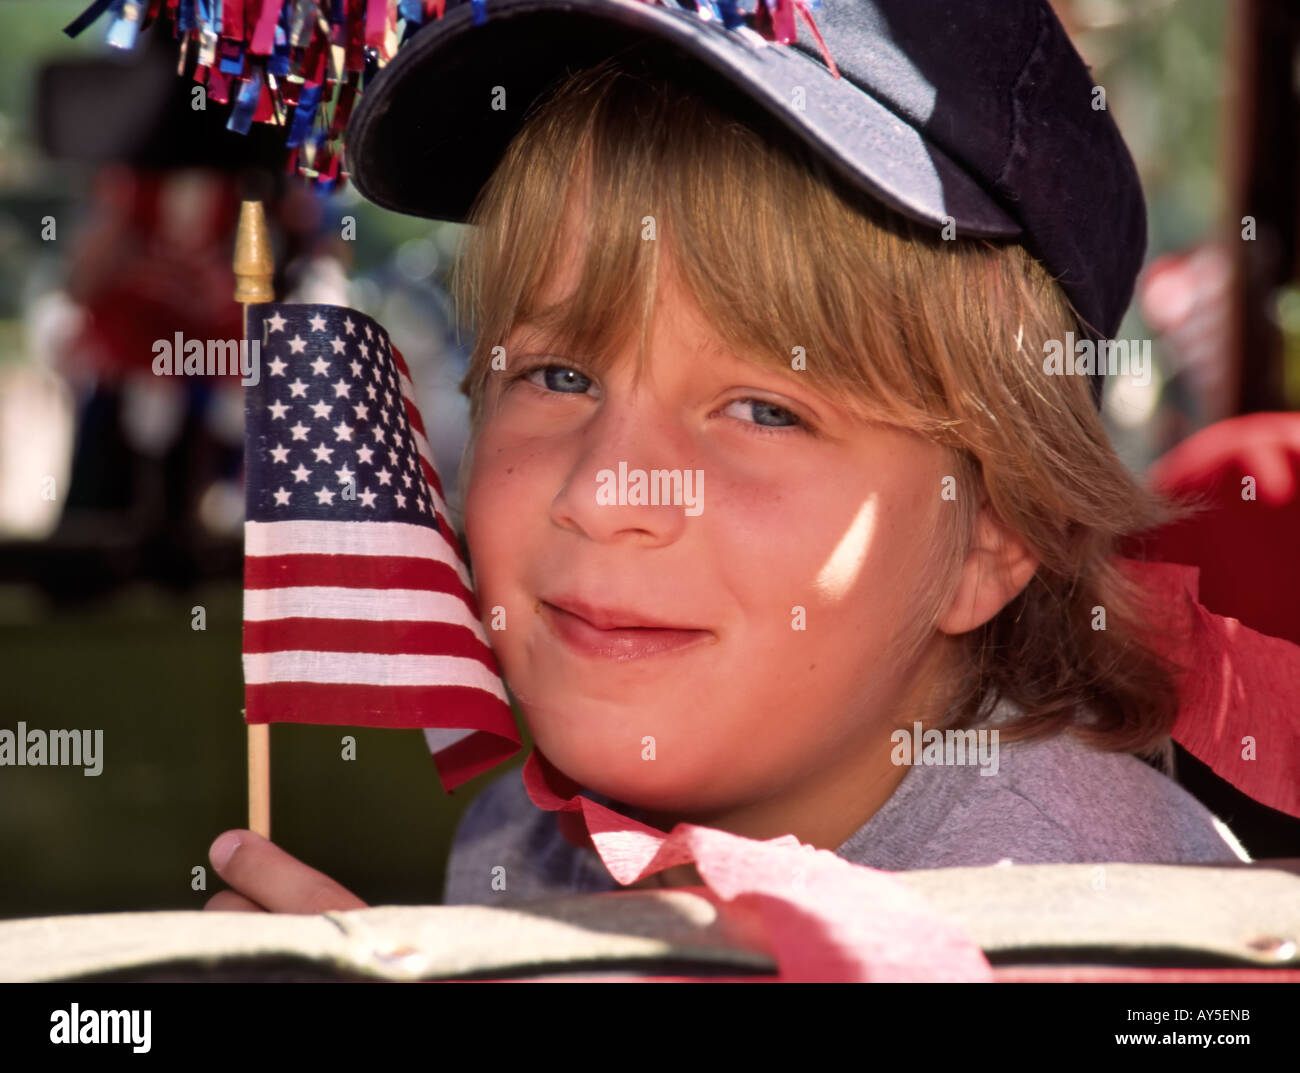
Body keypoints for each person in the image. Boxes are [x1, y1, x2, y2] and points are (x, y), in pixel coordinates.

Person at [204, 0, 1249, 914]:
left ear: (994, 530)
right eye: (559, 376)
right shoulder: (516, 843)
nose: (607, 492)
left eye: (763, 408)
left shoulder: (1090, 920)